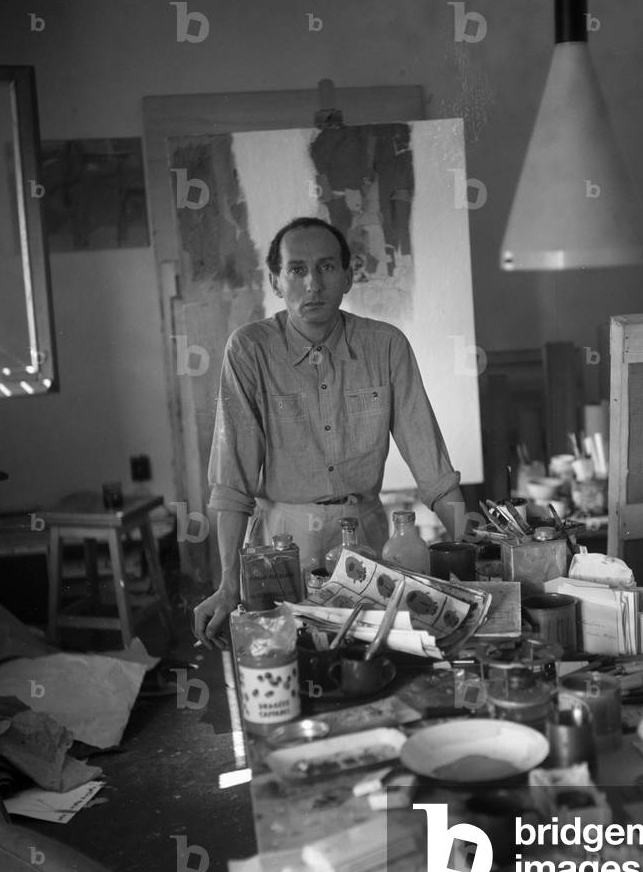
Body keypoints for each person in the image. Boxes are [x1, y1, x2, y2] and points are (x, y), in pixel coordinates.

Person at [193, 216, 465, 648]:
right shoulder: (249, 350)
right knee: (291, 658)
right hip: (281, 548)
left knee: (372, 657)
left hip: (367, 544)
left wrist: (470, 552)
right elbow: (231, 485)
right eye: (296, 269)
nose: (313, 284)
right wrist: (227, 585)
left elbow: (434, 470)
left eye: (325, 267)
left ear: (347, 276)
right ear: (276, 281)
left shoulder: (386, 345)